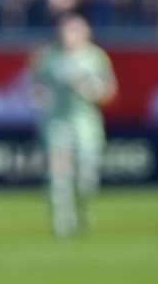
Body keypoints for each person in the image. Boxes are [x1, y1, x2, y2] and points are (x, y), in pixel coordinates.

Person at [29, 13, 118, 237]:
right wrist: (40, 98)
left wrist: (90, 89)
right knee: (59, 175)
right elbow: (36, 88)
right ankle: (62, 221)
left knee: (86, 178)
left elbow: (110, 92)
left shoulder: (96, 57)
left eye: (76, 30)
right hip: (57, 122)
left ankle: (83, 208)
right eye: (67, 30)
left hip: (86, 123)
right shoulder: (48, 57)